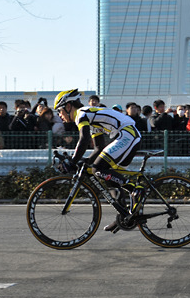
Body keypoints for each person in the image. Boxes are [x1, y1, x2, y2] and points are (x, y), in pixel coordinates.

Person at [53, 89, 144, 226]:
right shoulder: (91, 117)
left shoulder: (81, 114)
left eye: (59, 111)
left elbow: (83, 140)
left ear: (68, 106)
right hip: (128, 136)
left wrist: (73, 161)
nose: (59, 115)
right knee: (108, 178)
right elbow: (98, 147)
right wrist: (85, 162)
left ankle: (135, 190)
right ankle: (124, 216)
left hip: (127, 135)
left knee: (97, 169)